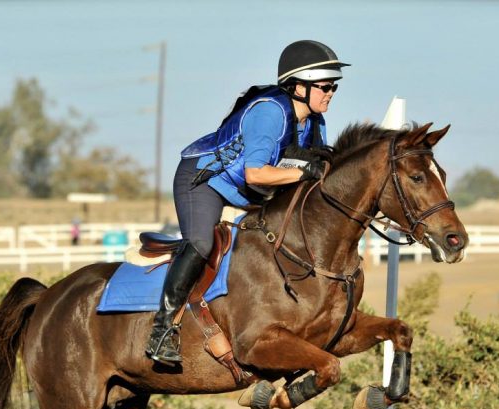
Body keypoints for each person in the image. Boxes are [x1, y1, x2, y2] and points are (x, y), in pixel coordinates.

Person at [146, 40, 350, 364]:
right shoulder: (270, 113)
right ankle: (161, 331)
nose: (331, 93)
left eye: (334, 87)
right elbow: (256, 173)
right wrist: (305, 172)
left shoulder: (314, 122)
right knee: (199, 242)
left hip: (248, 193)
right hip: (204, 180)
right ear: (298, 86)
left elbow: (313, 172)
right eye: (325, 86)